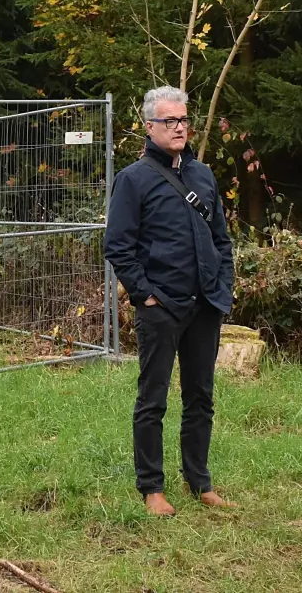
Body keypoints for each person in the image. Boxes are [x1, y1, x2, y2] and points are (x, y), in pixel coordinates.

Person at [103, 85, 235, 518]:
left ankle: (200, 482)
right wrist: (146, 295)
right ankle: (152, 488)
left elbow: (221, 240)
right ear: (149, 127)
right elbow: (118, 246)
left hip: (205, 306)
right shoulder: (133, 179)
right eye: (169, 121)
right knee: (153, 400)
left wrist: (222, 287)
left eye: (183, 120)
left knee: (201, 398)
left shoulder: (203, 176)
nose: (179, 128)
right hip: (161, 308)